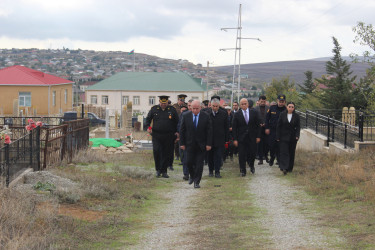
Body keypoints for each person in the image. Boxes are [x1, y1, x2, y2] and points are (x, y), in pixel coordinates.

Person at [180, 100, 213, 188]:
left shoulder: (205, 116)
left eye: (197, 108)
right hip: (189, 144)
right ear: (190, 108)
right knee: (189, 162)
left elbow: (209, 131)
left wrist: (209, 144)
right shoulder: (186, 115)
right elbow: (182, 130)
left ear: (200, 108)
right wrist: (182, 143)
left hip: (201, 145)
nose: (195, 110)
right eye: (193, 108)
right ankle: (192, 175)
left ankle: (197, 182)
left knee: (199, 164)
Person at [145, 95, 179, 178]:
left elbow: (177, 122)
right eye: (162, 103)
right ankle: (158, 170)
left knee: (166, 153)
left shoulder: (172, 110)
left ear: (167, 102)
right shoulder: (154, 109)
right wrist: (149, 128)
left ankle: (164, 171)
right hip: (156, 135)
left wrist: (177, 132)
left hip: (168, 135)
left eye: (165, 103)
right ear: (159, 102)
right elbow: (148, 120)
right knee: (157, 151)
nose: (163, 104)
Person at [232, 98, 261, 176]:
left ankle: (251, 165)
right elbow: (234, 128)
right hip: (241, 138)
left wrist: (258, 136)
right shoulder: (237, 114)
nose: (244, 105)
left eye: (245, 104)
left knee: (252, 153)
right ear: (240, 105)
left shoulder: (254, 112)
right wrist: (235, 139)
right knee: (241, 154)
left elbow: (258, 126)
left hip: (252, 137)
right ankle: (242, 170)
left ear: (248, 104)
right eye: (242, 104)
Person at [276, 101, 300, 175]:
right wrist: (278, 136)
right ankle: (284, 167)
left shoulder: (296, 116)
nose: (291, 108)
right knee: (284, 152)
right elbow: (278, 126)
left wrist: (297, 135)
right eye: (289, 106)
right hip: (283, 137)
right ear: (287, 107)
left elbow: (298, 127)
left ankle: (290, 167)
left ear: (294, 108)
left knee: (291, 152)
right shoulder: (282, 115)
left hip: (292, 137)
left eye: (292, 107)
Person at [207, 98, 228, 178]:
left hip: (220, 138)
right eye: (213, 106)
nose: (215, 108)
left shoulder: (223, 113)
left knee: (218, 156)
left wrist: (226, 139)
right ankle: (210, 171)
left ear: (218, 106)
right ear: (211, 105)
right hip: (209, 139)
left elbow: (226, 127)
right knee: (210, 156)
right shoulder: (207, 113)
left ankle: (217, 172)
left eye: (216, 106)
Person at [265, 94, 286, 166]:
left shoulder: (286, 110)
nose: (281, 103)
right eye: (280, 101)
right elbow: (267, 119)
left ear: (285, 102)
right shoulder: (272, 108)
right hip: (272, 130)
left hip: (281, 131)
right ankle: (272, 158)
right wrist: (267, 128)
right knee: (272, 146)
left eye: (283, 101)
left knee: (280, 146)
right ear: (277, 101)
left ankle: (279, 161)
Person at [254, 95, 270, 165]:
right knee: (259, 144)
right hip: (258, 129)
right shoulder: (255, 109)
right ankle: (260, 159)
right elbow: (254, 119)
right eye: (261, 101)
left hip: (266, 128)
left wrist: (266, 125)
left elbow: (270, 118)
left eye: (264, 101)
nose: (263, 103)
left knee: (267, 144)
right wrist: (258, 124)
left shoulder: (269, 108)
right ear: (259, 101)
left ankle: (266, 156)